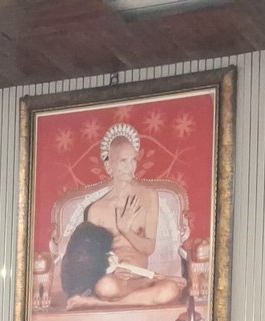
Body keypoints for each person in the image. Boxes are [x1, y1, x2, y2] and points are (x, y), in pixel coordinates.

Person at [63, 123, 187, 308]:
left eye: (134, 160)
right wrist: (110, 270)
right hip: (116, 281)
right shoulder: (96, 210)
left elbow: (148, 248)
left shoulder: (148, 197)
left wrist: (125, 230)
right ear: (108, 166)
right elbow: (90, 261)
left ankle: (98, 304)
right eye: (123, 161)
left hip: (141, 278)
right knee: (105, 287)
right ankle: (115, 297)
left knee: (169, 290)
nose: (130, 167)